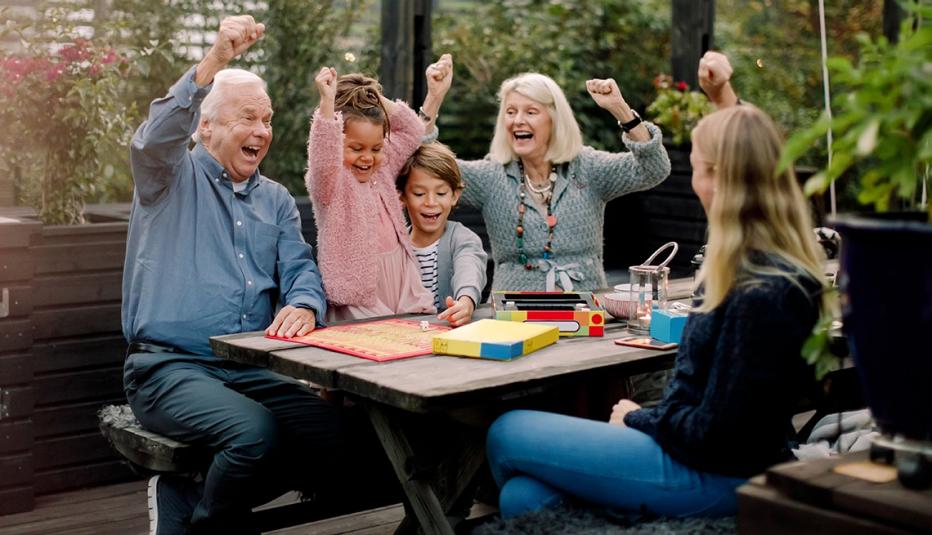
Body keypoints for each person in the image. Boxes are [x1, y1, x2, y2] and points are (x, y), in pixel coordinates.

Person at [485, 63, 831, 518]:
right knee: (523, 499)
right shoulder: (751, 266)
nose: (693, 179)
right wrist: (721, 93)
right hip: (698, 455)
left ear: (719, 179)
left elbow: (718, 433)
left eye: (699, 167)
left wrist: (636, 418)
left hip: (715, 473)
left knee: (507, 431)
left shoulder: (762, 291)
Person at [122, 15, 343, 534]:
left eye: (267, 120)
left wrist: (305, 303)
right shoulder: (167, 177)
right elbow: (152, 140)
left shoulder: (277, 200)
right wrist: (217, 58)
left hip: (250, 366)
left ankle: (192, 498)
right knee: (254, 435)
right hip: (167, 368)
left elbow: (300, 268)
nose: (262, 131)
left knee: (338, 435)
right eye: (248, 117)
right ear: (206, 126)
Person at [441, 73, 670, 292]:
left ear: (554, 120)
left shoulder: (588, 167)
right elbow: (428, 167)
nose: (518, 121)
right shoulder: (490, 176)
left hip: (585, 314)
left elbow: (654, 169)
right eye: (510, 112)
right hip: (514, 319)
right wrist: (433, 98)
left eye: (531, 112)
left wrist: (621, 110)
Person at [305, 55, 453, 320]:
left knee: (411, 342)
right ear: (339, 143)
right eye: (356, 148)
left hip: (401, 279)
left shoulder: (382, 168)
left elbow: (412, 132)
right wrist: (328, 103)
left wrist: (375, 98)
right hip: (359, 291)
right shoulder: (331, 183)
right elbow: (323, 154)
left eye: (375, 148)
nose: (367, 157)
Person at [397, 141, 488, 326]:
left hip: (447, 336)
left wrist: (465, 301)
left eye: (440, 193)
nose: (431, 202)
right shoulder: (395, 245)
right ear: (402, 196)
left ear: (454, 195)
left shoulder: (463, 239)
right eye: (419, 193)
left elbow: (469, 268)